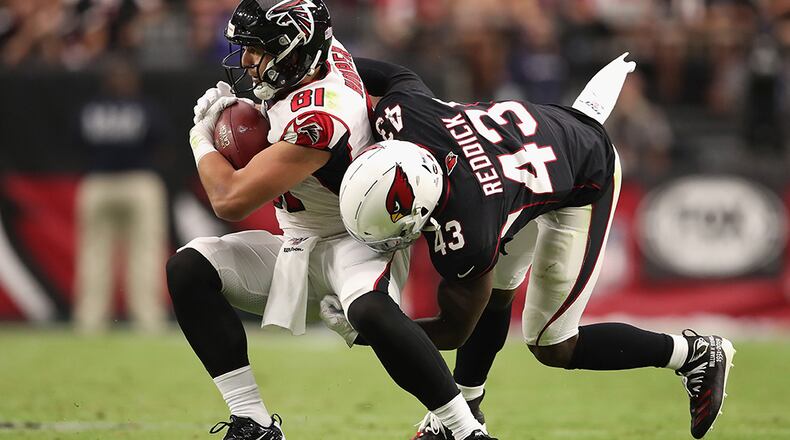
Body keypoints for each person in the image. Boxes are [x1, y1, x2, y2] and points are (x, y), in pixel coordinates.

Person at [325, 54, 736, 440]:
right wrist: (321, 62)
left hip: (582, 175)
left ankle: (692, 353)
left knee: (552, 343)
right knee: (497, 292)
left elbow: (454, 329)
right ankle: (464, 411)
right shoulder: (405, 115)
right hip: (530, 147)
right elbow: (392, 75)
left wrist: (370, 332)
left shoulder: (470, 224)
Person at [169, 1, 489, 439]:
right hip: (298, 243)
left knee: (371, 311)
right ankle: (252, 421)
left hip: (359, 242)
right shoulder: (325, 55)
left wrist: (201, 138)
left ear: (294, 52)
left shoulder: (318, 118)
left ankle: (464, 430)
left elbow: (229, 199)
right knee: (189, 268)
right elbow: (390, 75)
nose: (246, 61)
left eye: (258, 50)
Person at [73, 56, 168, 334]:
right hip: (138, 181)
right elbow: (163, 147)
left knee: (95, 254)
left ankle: (90, 321)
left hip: (98, 182)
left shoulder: (90, 109)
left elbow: (75, 145)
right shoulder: (144, 107)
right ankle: (148, 320)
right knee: (144, 253)